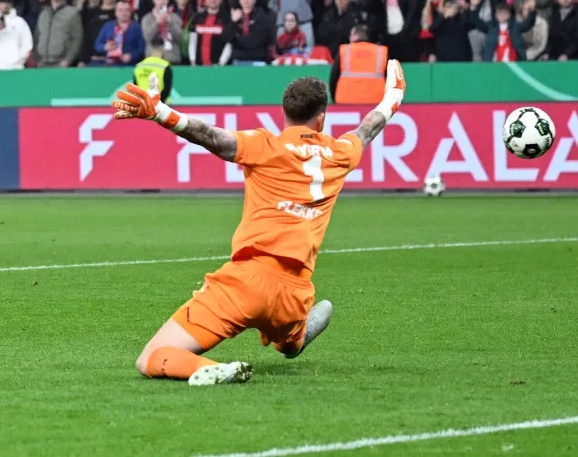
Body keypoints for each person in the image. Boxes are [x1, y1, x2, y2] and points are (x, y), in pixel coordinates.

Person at [113, 61, 407, 385]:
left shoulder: (266, 146)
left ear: (284, 113)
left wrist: (160, 113)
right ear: (321, 117)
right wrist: (393, 95)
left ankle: (211, 369)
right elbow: (368, 128)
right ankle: (295, 336)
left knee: (152, 357)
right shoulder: (339, 153)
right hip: (295, 293)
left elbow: (210, 136)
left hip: (247, 283)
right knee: (289, 339)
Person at [329, 24, 387, 104]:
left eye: (351, 35)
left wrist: (334, 97)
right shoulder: (381, 51)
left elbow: (334, 77)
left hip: (346, 100)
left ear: (355, 35)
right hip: (376, 100)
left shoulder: (345, 50)